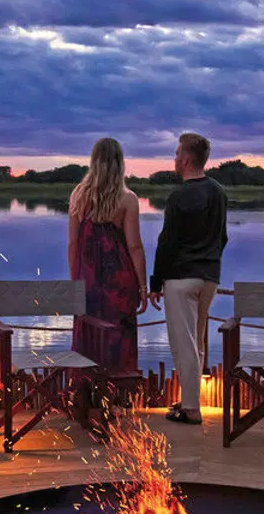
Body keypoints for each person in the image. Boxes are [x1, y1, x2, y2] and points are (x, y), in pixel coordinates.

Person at [149, 132, 228, 425]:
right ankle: (189, 400)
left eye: (176, 153)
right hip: (209, 277)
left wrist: (156, 283)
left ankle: (192, 409)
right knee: (196, 341)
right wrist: (211, 264)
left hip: (181, 278)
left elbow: (167, 242)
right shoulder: (218, 192)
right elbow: (222, 236)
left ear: (185, 159)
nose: (174, 159)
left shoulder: (178, 196)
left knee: (184, 343)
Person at [68, 138, 148, 375]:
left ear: (94, 162)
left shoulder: (78, 196)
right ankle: (117, 399)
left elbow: (73, 243)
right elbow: (134, 247)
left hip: (88, 282)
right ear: (119, 163)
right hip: (120, 283)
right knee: (118, 339)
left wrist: (75, 281)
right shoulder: (128, 198)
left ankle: (85, 396)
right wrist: (143, 287)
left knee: (88, 338)